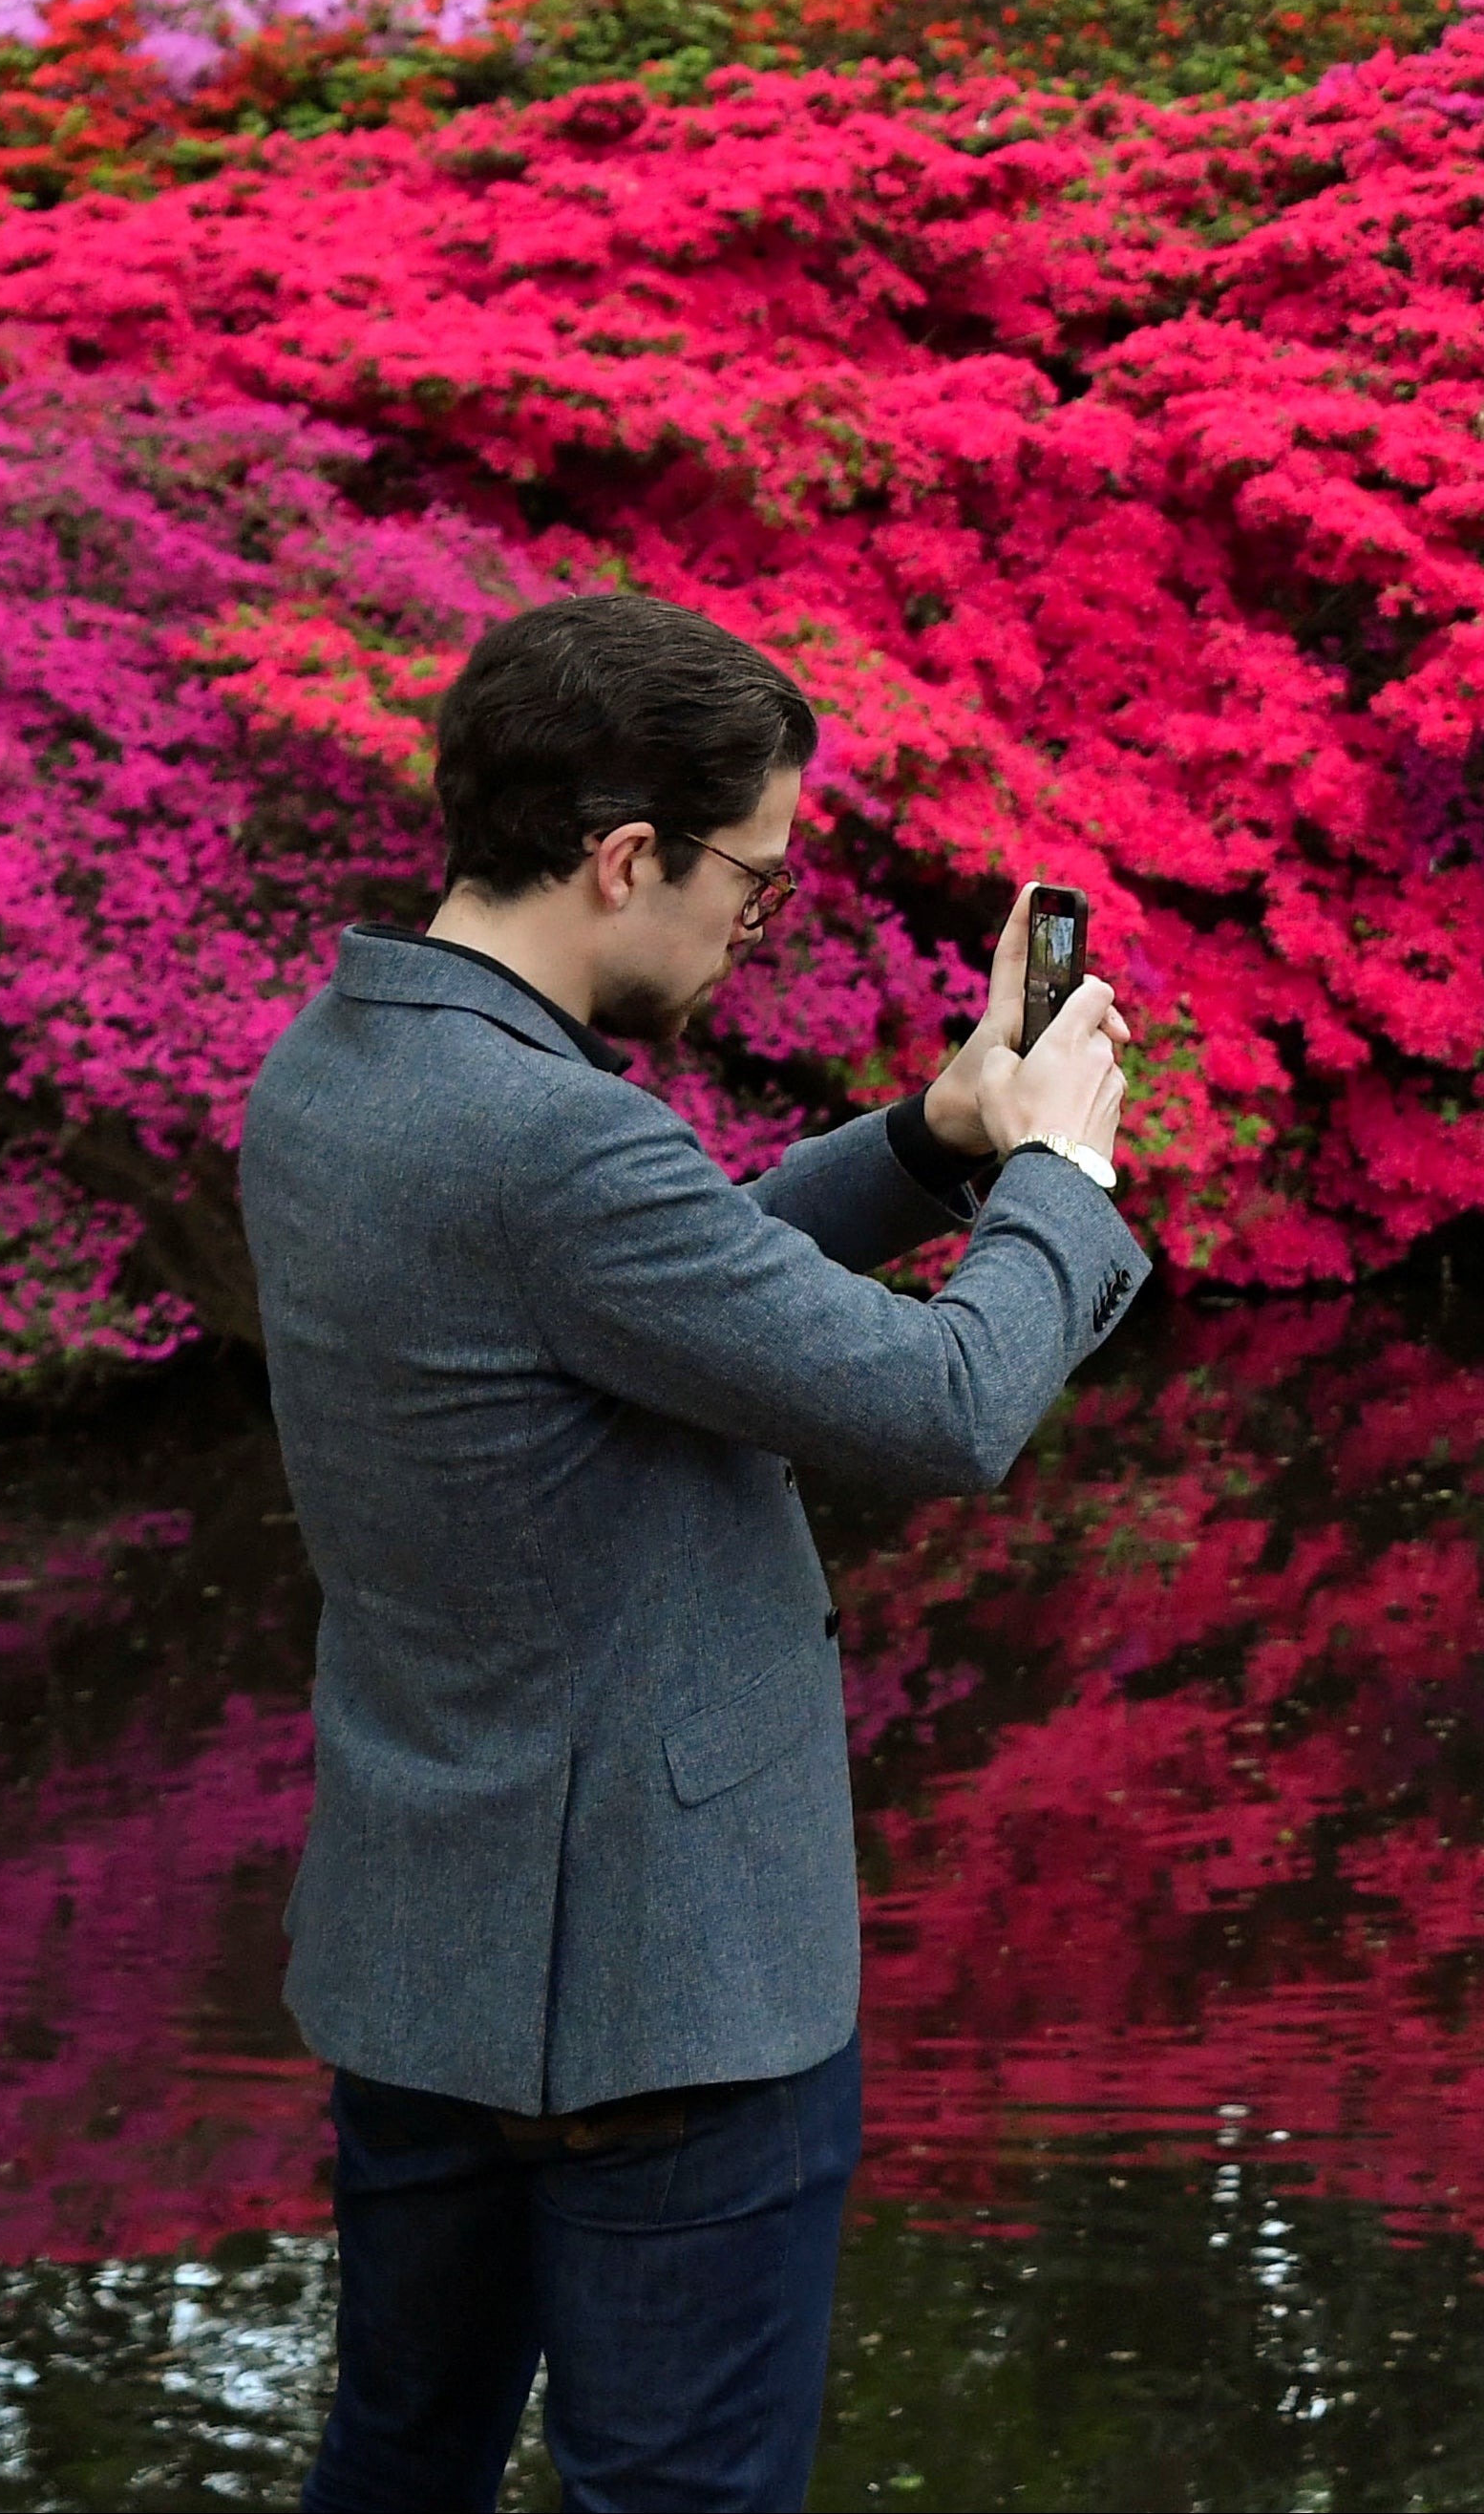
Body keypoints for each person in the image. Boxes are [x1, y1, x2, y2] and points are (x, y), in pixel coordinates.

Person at [243, 591, 1151, 2514]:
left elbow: (644, 1283)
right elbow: (942, 1403)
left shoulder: (342, 1063)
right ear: (623, 852)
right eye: (751, 873)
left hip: (425, 1961)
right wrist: (1055, 1178)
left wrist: (929, 1136)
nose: (759, 920)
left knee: (397, 2460)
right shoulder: (556, 1145)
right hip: (659, 2001)